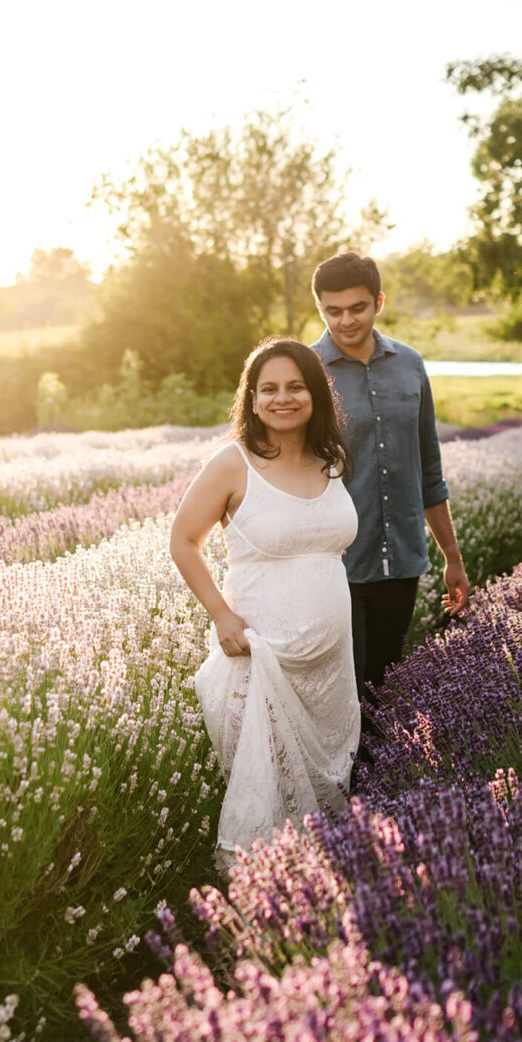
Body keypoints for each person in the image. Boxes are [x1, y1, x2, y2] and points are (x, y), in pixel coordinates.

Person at [170, 337, 360, 863]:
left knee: (322, 795)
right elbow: (182, 541)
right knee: (266, 782)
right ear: (251, 399)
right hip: (260, 652)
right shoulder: (233, 463)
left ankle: (318, 889)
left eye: (296, 387)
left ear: (316, 395)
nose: (283, 398)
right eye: (269, 388)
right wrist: (220, 614)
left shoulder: (332, 460)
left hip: (328, 664)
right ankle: (257, 899)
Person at [309, 252, 468, 750]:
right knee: (344, 692)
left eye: (357, 307)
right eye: (332, 310)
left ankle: (376, 802)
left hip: (401, 559)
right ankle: (339, 804)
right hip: (333, 562)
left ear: (378, 302)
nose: (345, 320)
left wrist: (453, 561)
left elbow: (429, 469)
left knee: (384, 688)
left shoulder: (411, 365)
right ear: (320, 309)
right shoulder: (308, 371)